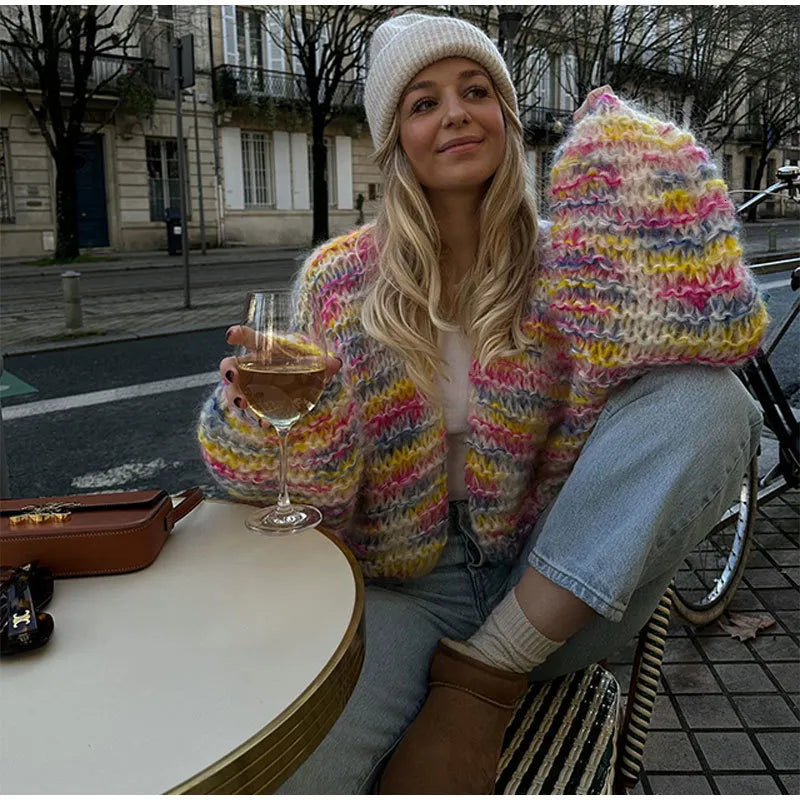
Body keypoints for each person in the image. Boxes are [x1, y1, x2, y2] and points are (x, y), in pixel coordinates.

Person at [198, 12, 767, 795]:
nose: (456, 112)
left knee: (714, 402)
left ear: (504, 113)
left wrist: (646, 176)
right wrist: (263, 416)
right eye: (423, 102)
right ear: (396, 140)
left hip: (558, 576)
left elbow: (710, 349)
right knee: (299, 772)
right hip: (403, 590)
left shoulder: (579, 260)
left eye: (475, 90)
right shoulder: (337, 281)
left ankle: (483, 677)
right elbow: (312, 500)